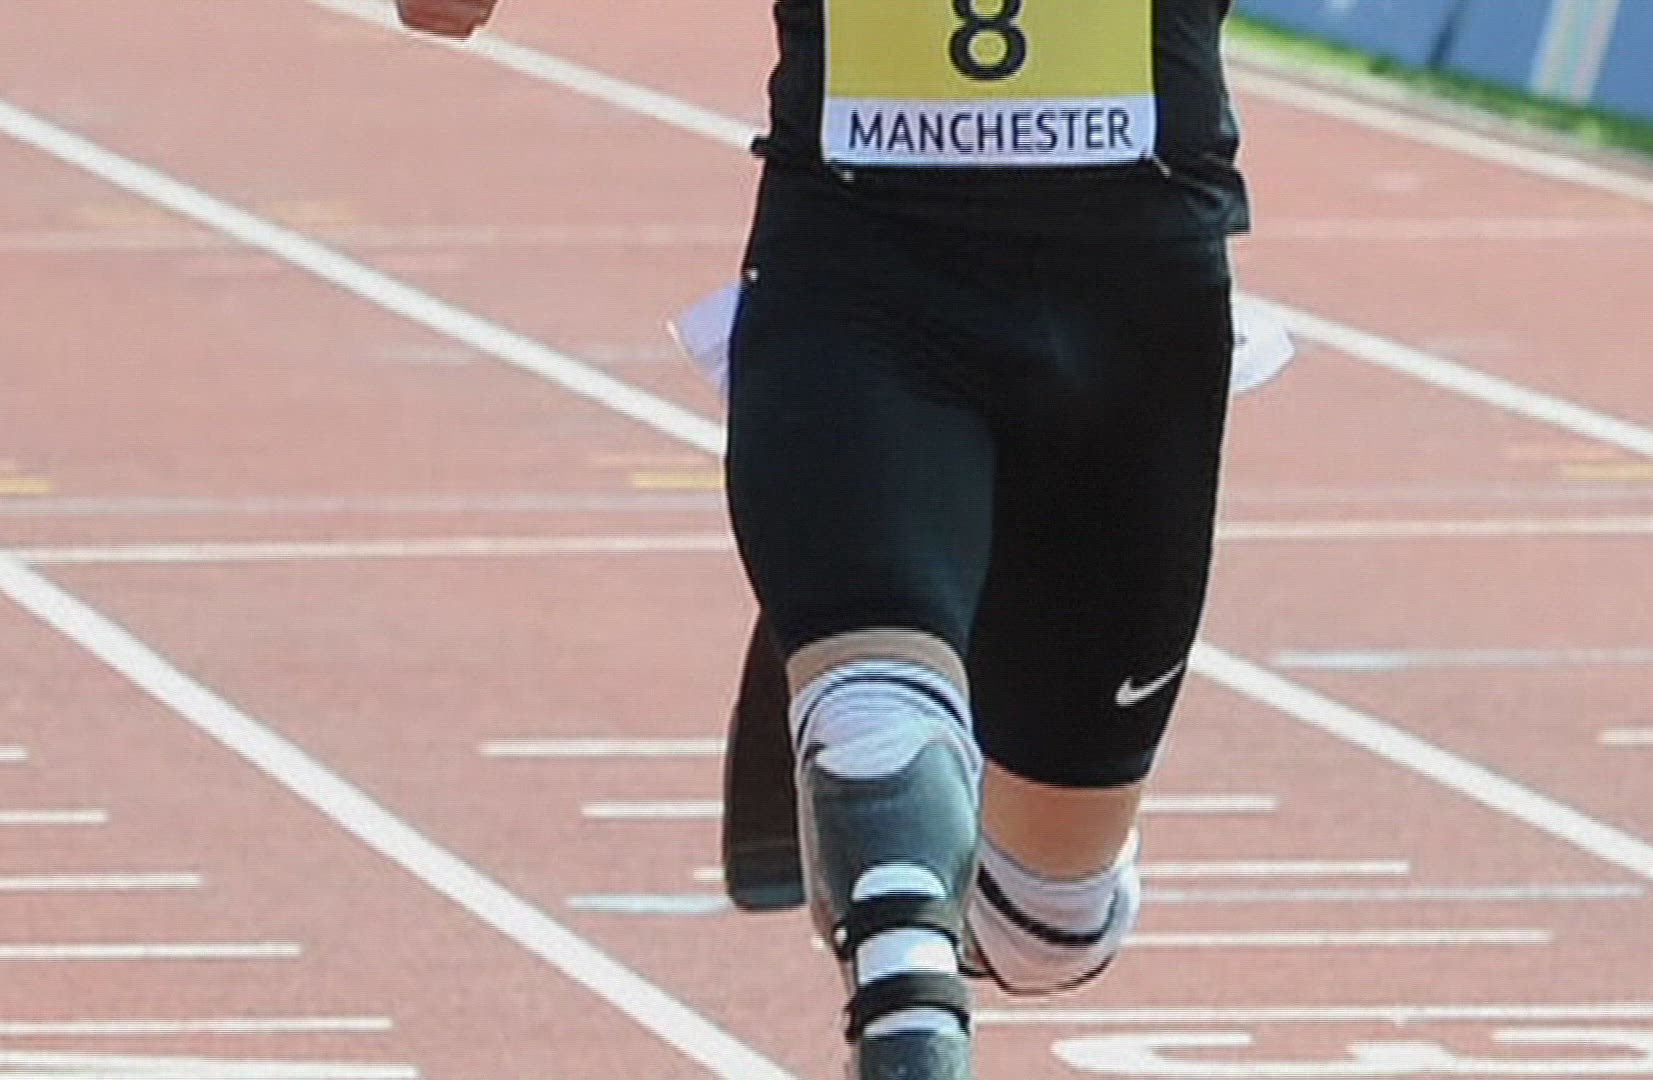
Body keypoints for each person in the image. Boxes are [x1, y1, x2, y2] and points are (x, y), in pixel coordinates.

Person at [397, 2, 1250, 1078]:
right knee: (877, 748)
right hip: (864, 271)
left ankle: (876, 620)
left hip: (1133, 309)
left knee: (1047, 928)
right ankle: (872, 694)